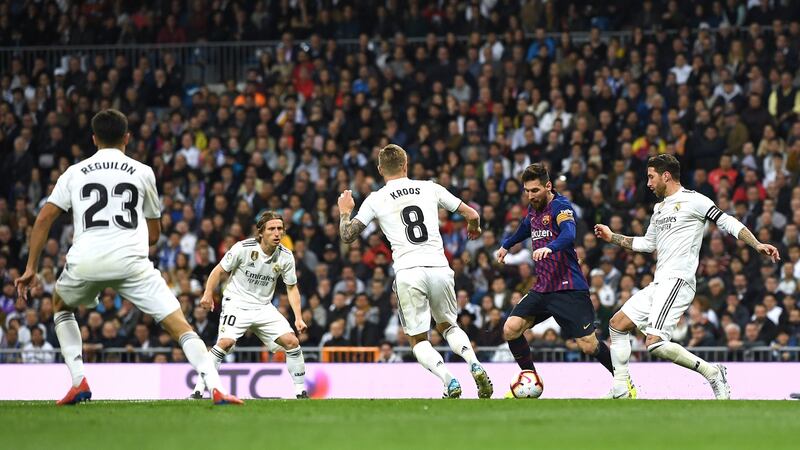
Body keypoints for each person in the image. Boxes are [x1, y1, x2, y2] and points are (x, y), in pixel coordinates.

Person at [14, 109, 242, 406]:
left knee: (60, 305)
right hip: (131, 262)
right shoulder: (143, 171)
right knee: (179, 325)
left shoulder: (73, 172)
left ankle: (78, 380)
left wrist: (31, 267)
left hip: (85, 262)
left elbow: (44, 219)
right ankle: (216, 387)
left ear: (94, 139)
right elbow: (155, 234)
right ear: (127, 138)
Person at [595, 154, 780, 399]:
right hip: (659, 282)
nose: (648, 183)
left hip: (678, 280)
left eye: (651, 177)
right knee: (617, 325)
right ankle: (621, 388)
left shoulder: (695, 200)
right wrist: (613, 237)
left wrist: (756, 244)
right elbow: (648, 244)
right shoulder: (659, 208)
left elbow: (728, 221)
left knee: (655, 343)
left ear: (666, 176)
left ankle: (713, 372)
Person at [337, 144, 493, 399]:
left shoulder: (376, 198)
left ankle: (448, 380)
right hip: (439, 267)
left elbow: (348, 236)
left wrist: (345, 212)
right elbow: (472, 213)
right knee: (448, 326)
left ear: (380, 170)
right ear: (406, 165)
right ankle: (473, 362)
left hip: (409, 271)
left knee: (418, 339)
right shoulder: (429, 187)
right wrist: (474, 226)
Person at [496, 163, 617, 396]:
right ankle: (530, 379)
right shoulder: (534, 209)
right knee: (511, 328)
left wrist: (550, 248)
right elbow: (525, 227)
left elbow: (569, 234)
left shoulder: (561, 206)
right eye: (527, 191)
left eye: (535, 190)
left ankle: (624, 380)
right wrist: (506, 245)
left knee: (588, 345)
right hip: (543, 288)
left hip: (568, 287)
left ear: (548, 186)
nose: (530, 196)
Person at [191, 211, 308, 399]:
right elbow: (218, 270)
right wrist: (207, 294)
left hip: (263, 307)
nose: (277, 233)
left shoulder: (286, 256)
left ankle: (300, 391)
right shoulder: (243, 248)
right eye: (272, 229)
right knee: (225, 343)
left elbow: (292, 288)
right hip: (236, 303)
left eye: (280, 229)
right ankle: (198, 389)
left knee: (292, 342)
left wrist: (299, 317)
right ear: (261, 232)